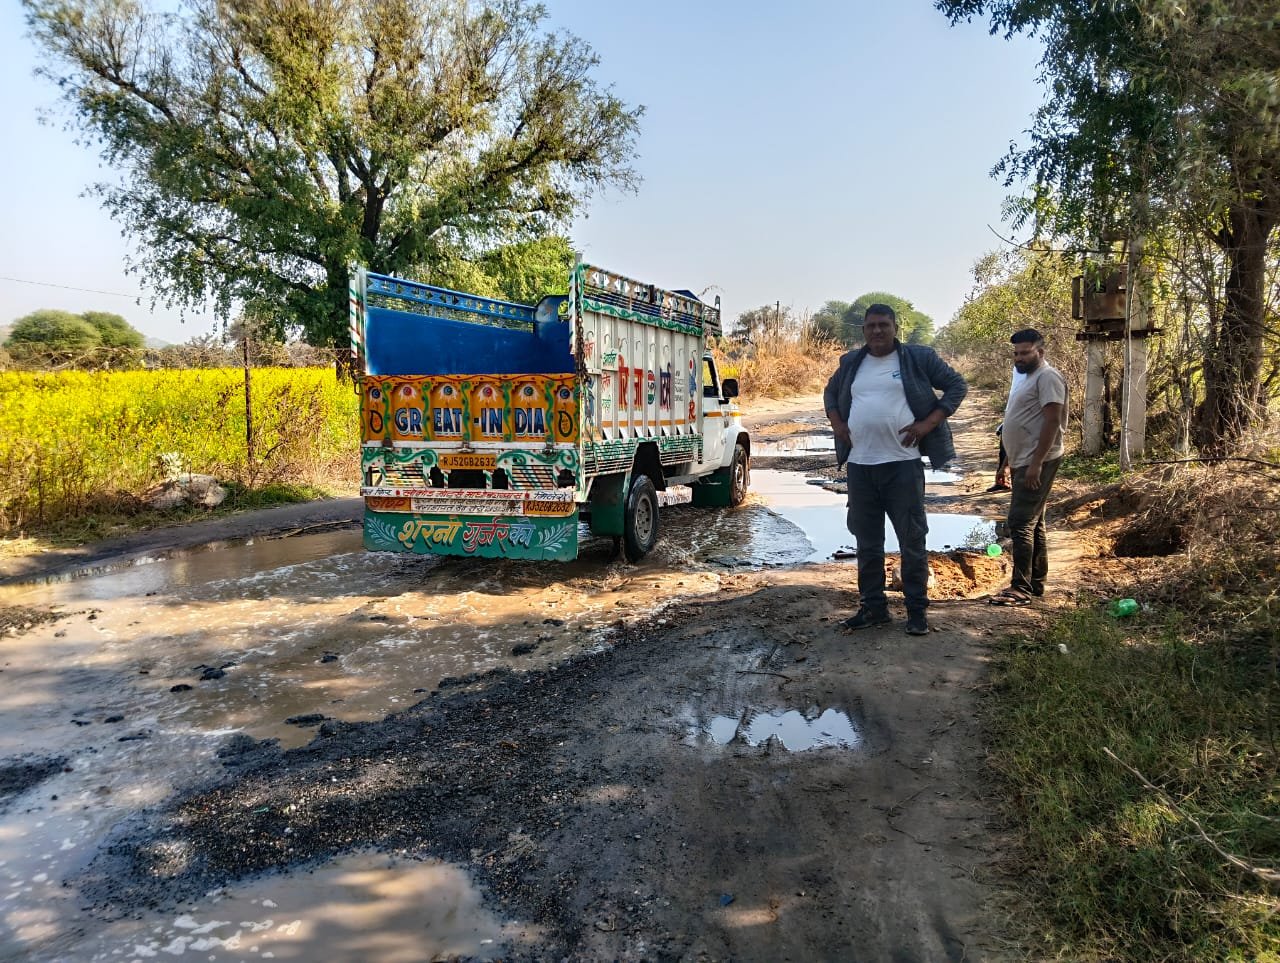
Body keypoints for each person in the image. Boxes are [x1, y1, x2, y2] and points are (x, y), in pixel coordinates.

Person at [823, 305, 968, 635]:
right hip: (860, 467)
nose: (877, 331)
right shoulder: (851, 363)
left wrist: (929, 423)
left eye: (883, 325)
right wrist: (837, 423)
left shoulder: (918, 358)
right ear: (863, 329)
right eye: (871, 326)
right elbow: (830, 393)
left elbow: (957, 385)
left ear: (895, 327)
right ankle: (873, 607)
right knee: (867, 542)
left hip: (902, 467)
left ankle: (917, 612)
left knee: (912, 540)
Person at [990, 328, 1067, 606]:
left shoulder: (1048, 377)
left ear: (1040, 352)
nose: (1019, 358)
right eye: (1016, 353)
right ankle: (1035, 583)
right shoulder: (1025, 377)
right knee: (1034, 523)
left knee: (1020, 522)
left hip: (1039, 460)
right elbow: (1018, 420)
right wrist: (1006, 462)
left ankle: (1020, 588)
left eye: (1025, 353)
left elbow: (1051, 422)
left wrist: (1035, 464)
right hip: (1022, 459)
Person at [986, 366, 1028, 492]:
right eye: (1016, 353)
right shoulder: (1018, 368)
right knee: (1004, 447)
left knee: (1018, 451)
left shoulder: (1041, 373)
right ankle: (1002, 481)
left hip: (1024, 415)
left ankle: (1018, 486)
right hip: (1012, 412)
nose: (1019, 357)